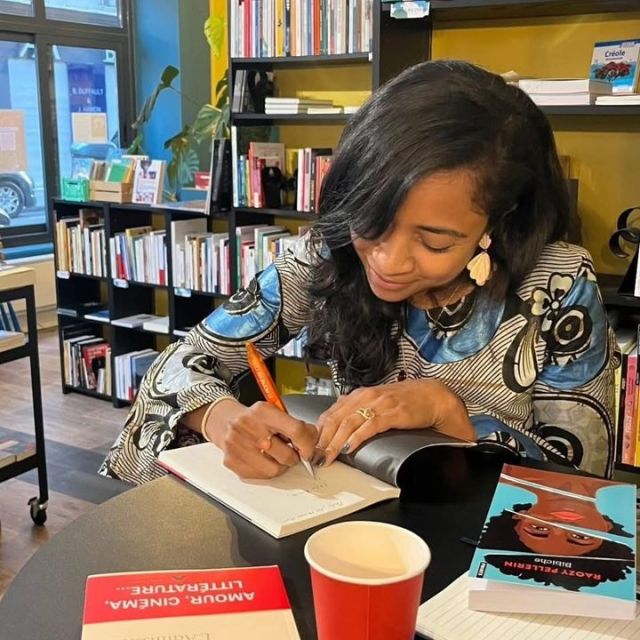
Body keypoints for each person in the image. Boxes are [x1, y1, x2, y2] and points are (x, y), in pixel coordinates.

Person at [99, 60, 616, 486]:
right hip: (349, 525)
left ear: (496, 222)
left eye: (434, 242)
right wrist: (221, 418)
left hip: (481, 547)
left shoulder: (558, 284)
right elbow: (180, 363)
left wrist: (450, 413)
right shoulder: (328, 255)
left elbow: (584, 476)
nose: (388, 262)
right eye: (372, 221)